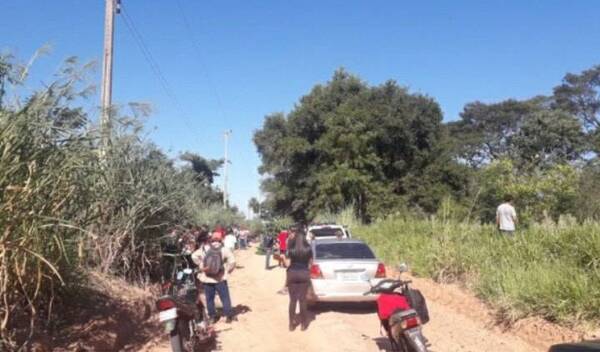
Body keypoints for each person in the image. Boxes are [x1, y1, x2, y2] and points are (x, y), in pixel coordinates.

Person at [191, 232, 237, 323]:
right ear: (221, 239)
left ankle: (212, 317)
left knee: (209, 298)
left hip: (207, 278)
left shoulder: (204, 249)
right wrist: (227, 270)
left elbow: (193, 256)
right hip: (220, 278)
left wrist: (201, 265)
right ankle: (228, 315)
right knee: (225, 297)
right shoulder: (224, 249)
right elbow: (232, 261)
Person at [284, 227, 313, 331]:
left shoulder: (291, 248)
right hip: (304, 273)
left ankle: (291, 324)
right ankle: (303, 324)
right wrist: (305, 270)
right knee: (303, 300)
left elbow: (287, 264)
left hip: (292, 274)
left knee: (292, 300)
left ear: (295, 236)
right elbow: (310, 264)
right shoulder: (308, 248)